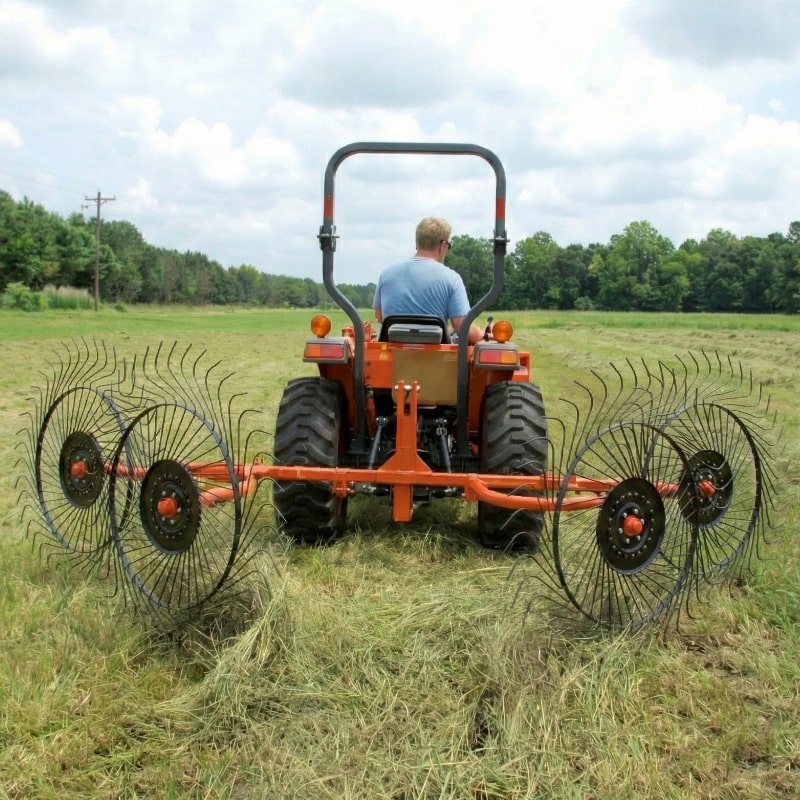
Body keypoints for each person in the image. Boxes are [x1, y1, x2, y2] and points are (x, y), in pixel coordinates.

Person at [373, 217, 483, 345]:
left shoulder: (386, 273)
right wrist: (482, 334)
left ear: (417, 243)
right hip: (435, 360)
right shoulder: (452, 279)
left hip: (393, 356)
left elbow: (380, 316)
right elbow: (462, 327)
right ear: (442, 246)